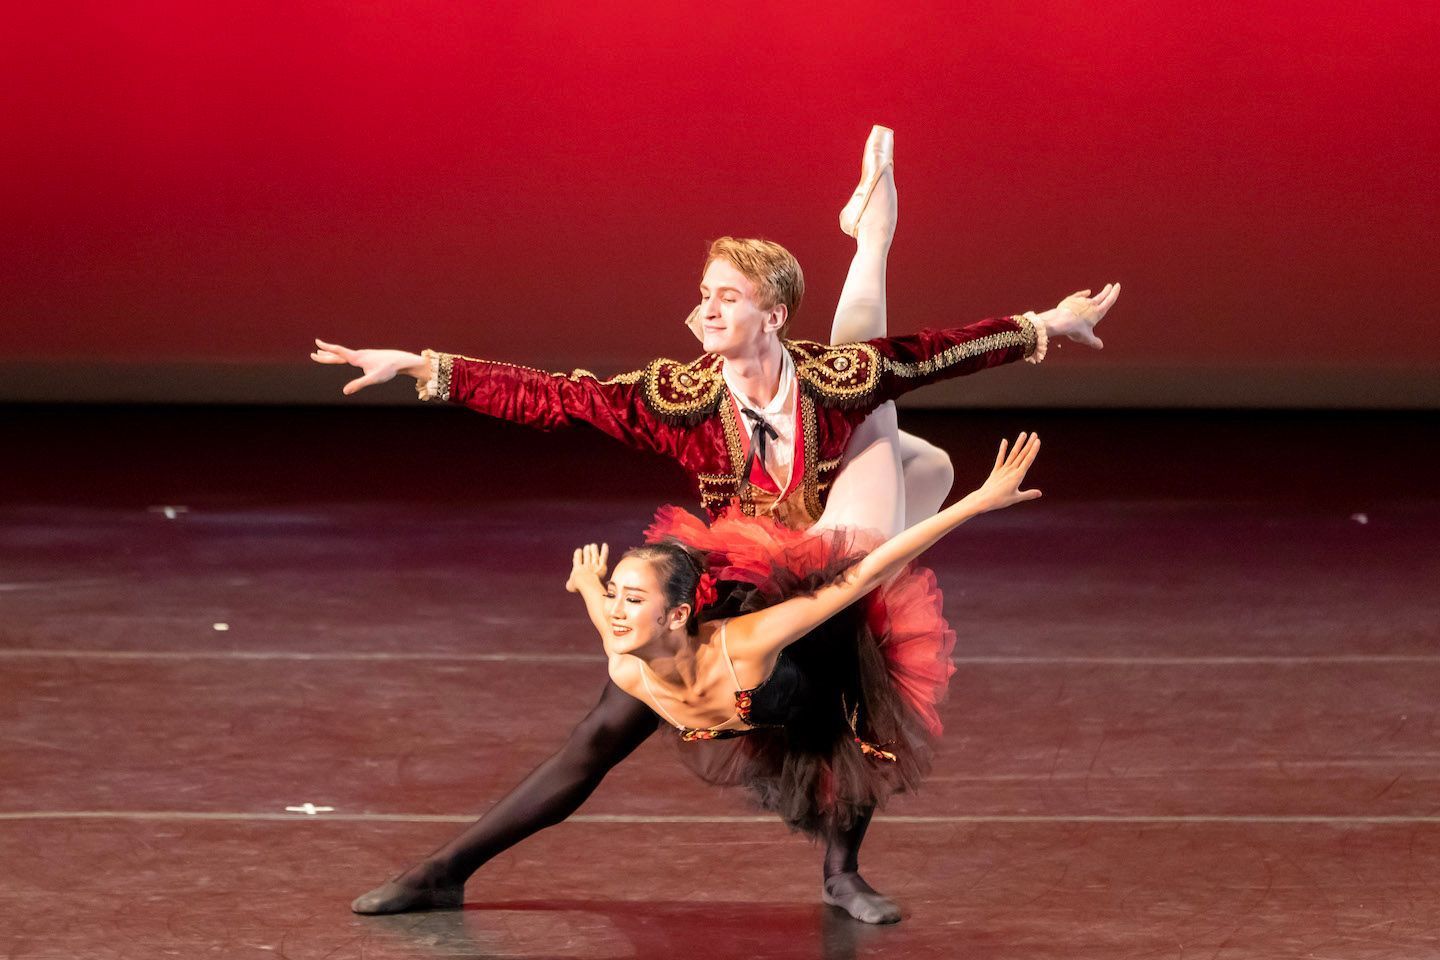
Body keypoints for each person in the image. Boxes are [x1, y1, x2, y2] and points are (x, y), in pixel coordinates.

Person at [313, 126, 1119, 921]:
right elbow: (560, 397)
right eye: (704, 294)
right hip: (741, 574)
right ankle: (444, 871)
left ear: (773, 314)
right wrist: (423, 367)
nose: (705, 309)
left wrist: (1048, 323)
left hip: (837, 542)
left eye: (726, 296)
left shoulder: (836, 380)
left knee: (856, 638)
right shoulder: (679, 398)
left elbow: (943, 350)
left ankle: (843, 873)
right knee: (604, 729)